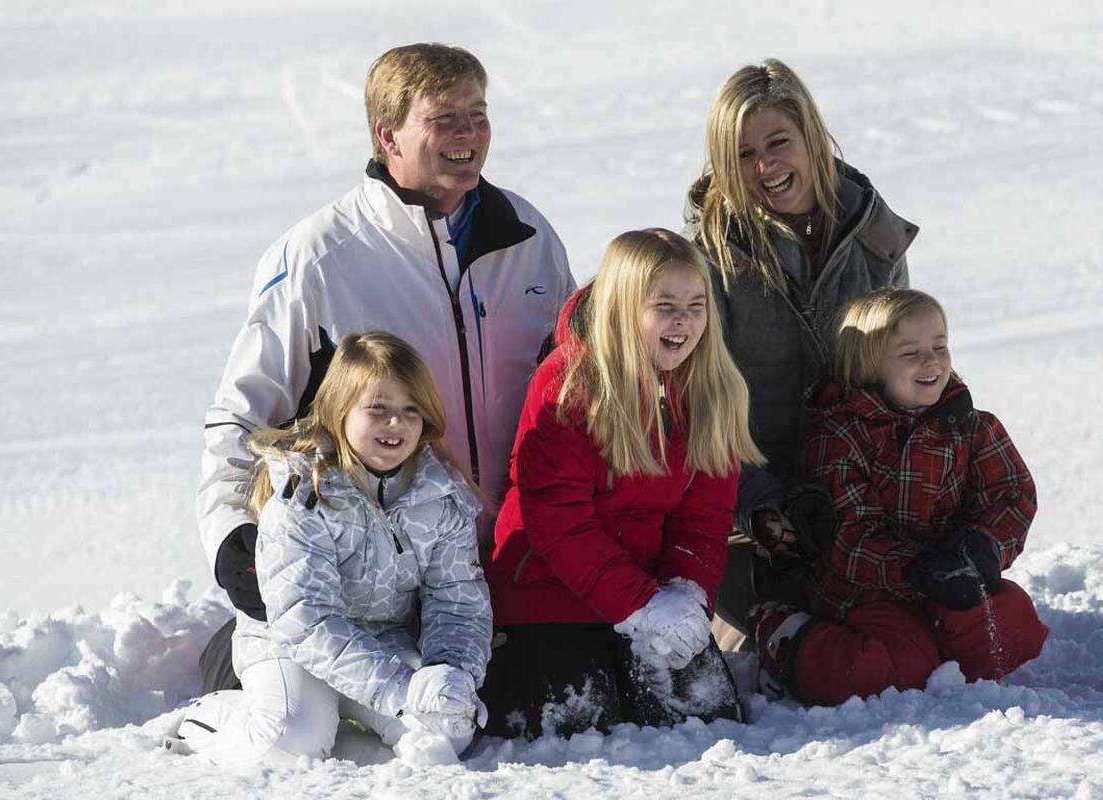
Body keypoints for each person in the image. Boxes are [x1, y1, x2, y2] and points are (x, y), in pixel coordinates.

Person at [196, 43, 574, 690]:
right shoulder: (321, 256)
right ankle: (232, 671)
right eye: (443, 117)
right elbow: (243, 413)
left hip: (496, 567)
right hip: (371, 578)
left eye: (477, 113)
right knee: (320, 722)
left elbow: (573, 389)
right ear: (387, 134)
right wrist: (231, 534)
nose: (468, 133)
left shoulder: (528, 238)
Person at [480, 229, 764, 739]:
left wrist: (685, 594)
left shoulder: (713, 388)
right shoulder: (568, 384)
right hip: (548, 589)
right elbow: (559, 524)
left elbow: (704, 519)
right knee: (580, 725)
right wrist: (639, 605)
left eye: (697, 305)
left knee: (706, 716)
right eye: (664, 305)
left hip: (652, 590)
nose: (683, 321)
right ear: (621, 308)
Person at [682, 58, 920, 650]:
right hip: (755, 519)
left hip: (860, 503)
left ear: (811, 136)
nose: (765, 166)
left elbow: (908, 372)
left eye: (778, 142)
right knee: (805, 655)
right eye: (742, 154)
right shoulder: (711, 258)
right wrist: (761, 509)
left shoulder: (872, 233)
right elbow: (701, 410)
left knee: (930, 639)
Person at [173, 333, 491, 762]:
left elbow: (458, 600)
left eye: (409, 410)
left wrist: (451, 675)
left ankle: (348, 724)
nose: (395, 423)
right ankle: (216, 717)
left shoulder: (440, 494)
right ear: (340, 409)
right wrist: (400, 688)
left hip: (380, 640)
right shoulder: (304, 491)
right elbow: (305, 620)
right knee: (288, 743)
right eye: (378, 409)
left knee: (447, 728)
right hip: (291, 645)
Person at [750, 289, 1048, 705]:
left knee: (1013, 624)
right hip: (863, 590)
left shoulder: (970, 426)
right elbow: (848, 536)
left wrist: (984, 547)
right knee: (885, 671)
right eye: (910, 353)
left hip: (948, 580)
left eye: (940, 347)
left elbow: (1011, 494)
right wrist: (915, 568)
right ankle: (786, 636)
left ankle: (935, 648)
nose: (931, 362)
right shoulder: (840, 435)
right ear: (869, 363)